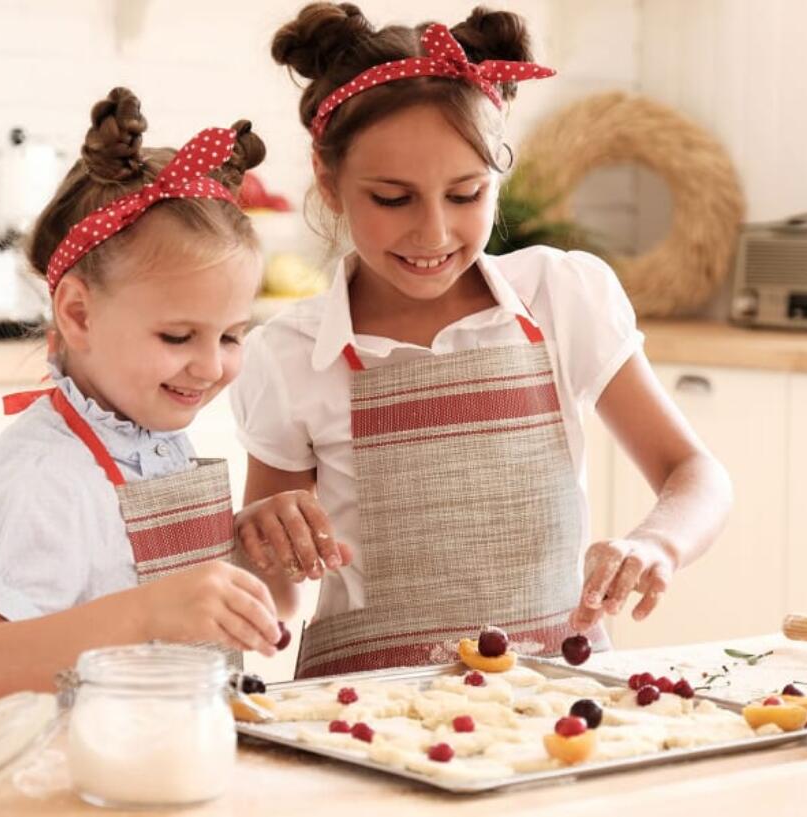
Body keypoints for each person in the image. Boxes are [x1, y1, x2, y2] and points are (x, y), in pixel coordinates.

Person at [231, 3, 733, 678]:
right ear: (330, 182)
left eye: (465, 194)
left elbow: (696, 473)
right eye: (392, 199)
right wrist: (262, 548)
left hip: (552, 700)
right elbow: (282, 594)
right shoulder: (290, 355)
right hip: (358, 712)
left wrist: (656, 545)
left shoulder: (560, 297)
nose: (433, 233)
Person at [0, 88, 296, 719]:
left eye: (232, 336)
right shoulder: (46, 478)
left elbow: (239, 618)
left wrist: (257, 559)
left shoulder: (153, 440)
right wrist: (150, 612)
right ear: (77, 313)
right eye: (178, 336)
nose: (210, 366)